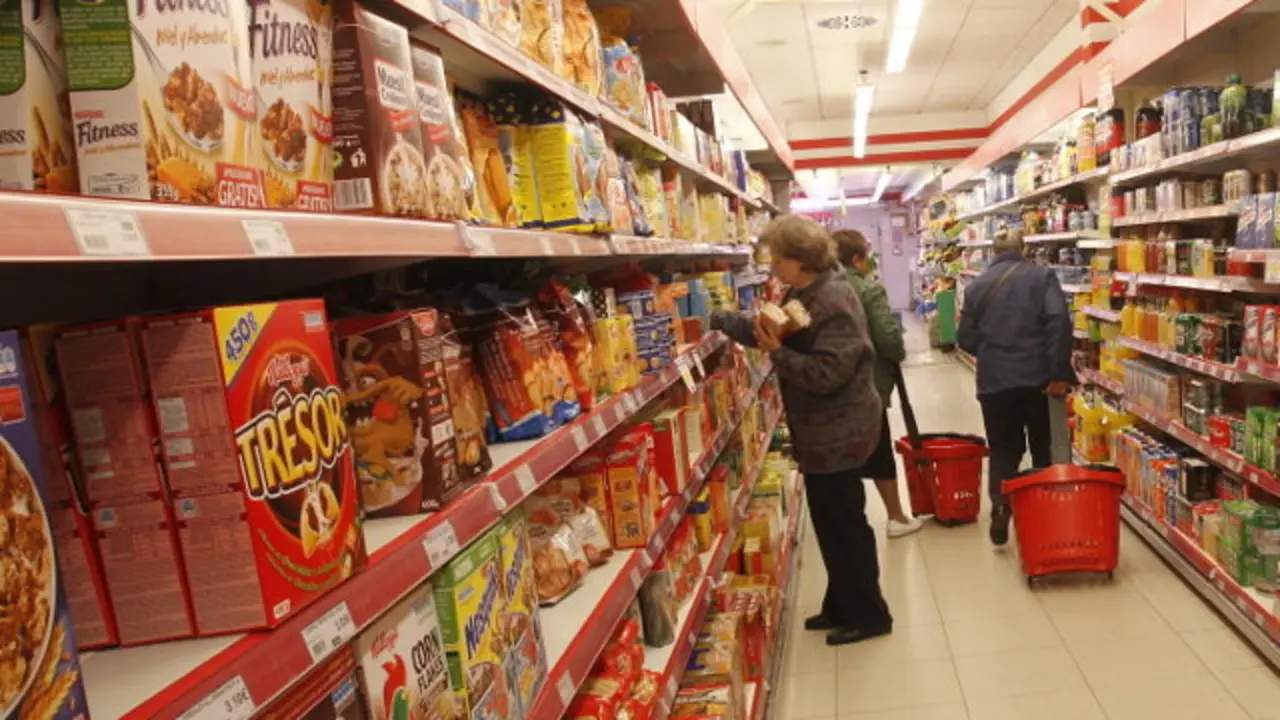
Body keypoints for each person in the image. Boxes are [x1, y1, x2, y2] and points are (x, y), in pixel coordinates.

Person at [710, 215, 892, 646]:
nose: (772, 266)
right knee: (831, 524)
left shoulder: (833, 301)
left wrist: (778, 355)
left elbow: (828, 372)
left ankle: (870, 614)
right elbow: (774, 332)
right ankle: (841, 604)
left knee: (846, 524)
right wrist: (718, 320)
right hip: (823, 434)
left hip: (840, 433)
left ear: (801, 260)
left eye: (778, 258)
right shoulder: (808, 291)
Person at [957, 228, 1075, 546]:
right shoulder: (1042, 278)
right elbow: (1058, 322)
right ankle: (1045, 515)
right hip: (1038, 380)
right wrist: (1058, 371)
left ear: (993, 252)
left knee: (1004, 447)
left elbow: (965, 339)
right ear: (1023, 249)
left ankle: (1000, 507)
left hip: (994, 383)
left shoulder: (977, 286)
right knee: (1042, 447)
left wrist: (995, 351)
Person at [831, 229, 923, 539]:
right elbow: (887, 336)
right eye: (866, 255)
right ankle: (896, 516)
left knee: (843, 454)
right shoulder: (868, 290)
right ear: (857, 259)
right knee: (879, 446)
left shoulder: (819, 288)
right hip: (868, 383)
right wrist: (897, 353)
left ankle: (848, 522)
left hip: (830, 387)